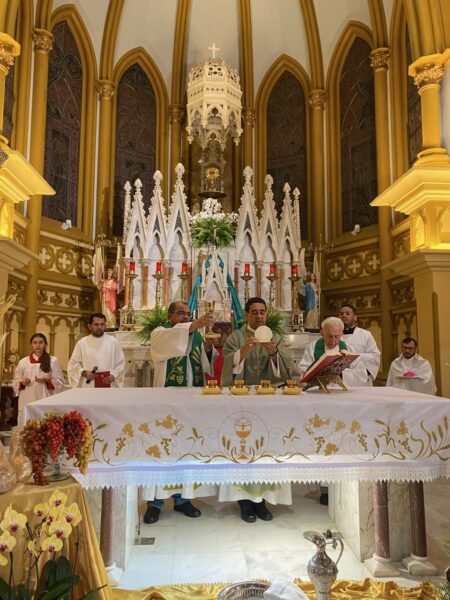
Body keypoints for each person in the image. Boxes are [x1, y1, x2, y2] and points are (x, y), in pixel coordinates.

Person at [142, 301, 219, 523]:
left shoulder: (195, 334)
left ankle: (182, 499)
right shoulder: (160, 332)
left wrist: (207, 348)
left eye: (188, 314)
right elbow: (174, 340)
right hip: (166, 401)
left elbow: (205, 365)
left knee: (187, 447)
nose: (185, 317)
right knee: (161, 448)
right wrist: (195, 325)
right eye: (180, 313)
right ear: (170, 315)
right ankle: (155, 502)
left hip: (191, 399)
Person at [220, 297, 292, 523]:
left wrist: (273, 354)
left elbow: (286, 369)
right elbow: (227, 365)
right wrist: (243, 350)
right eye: (254, 312)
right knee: (242, 448)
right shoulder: (236, 337)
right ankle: (243, 499)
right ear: (246, 315)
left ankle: (262, 499)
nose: (259, 316)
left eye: (262, 312)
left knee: (265, 448)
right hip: (241, 401)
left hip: (267, 399)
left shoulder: (275, 337)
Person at [13, 333, 65, 425]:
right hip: (27, 399)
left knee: (44, 426)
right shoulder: (23, 362)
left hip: (45, 399)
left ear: (45, 344)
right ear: (31, 345)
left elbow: (60, 382)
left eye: (41, 342)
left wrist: (46, 380)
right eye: (35, 342)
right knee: (27, 427)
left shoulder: (53, 360)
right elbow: (16, 381)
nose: (38, 345)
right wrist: (23, 382)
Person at [299, 316, 366, 388]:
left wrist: (341, 373)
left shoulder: (348, 349)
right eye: (330, 336)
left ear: (342, 334)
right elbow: (304, 370)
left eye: (337, 336)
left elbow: (361, 374)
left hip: (341, 391)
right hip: (319, 391)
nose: (333, 341)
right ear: (322, 333)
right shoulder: (313, 347)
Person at [67, 313, 125, 388]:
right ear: (89, 326)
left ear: (105, 325)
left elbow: (121, 363)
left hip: (109, 385)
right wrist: (84, 373)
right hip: (89, 385)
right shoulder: (82, 343)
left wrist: (114, 376)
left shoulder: (114, 342)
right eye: (96, 324)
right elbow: (73, 365)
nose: (99, 327)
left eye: (102, 324)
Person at [339, 304, 380, 386]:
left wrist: (355, 357)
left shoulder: (365, 335)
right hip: (339, 379)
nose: (344, 315)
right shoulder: (333, 335)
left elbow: (375, 356)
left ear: (355, 317)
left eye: (347, 313)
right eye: (341, 314)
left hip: (360, 378)